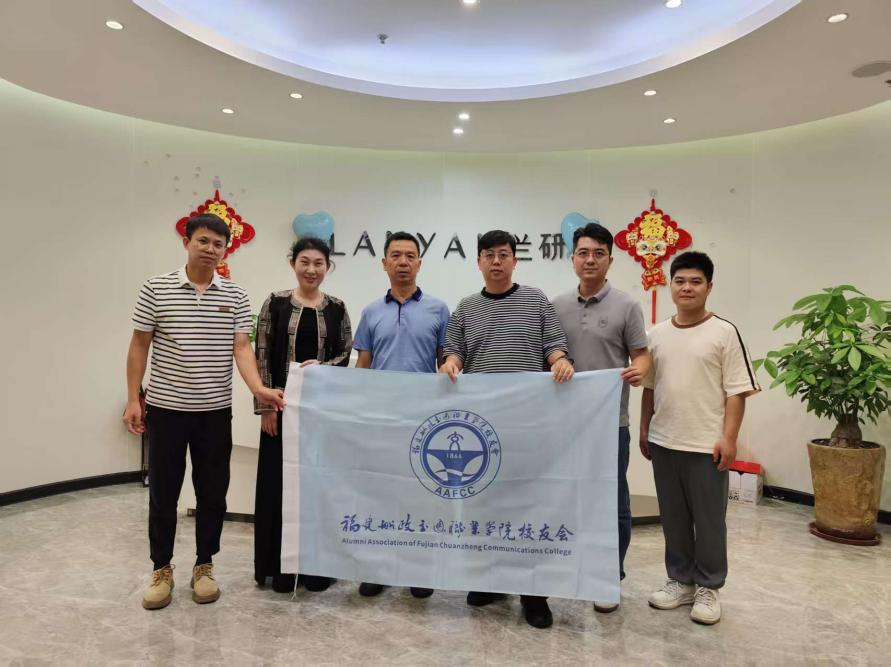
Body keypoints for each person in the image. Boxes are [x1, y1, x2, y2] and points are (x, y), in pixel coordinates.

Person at [124, 213, 285, 611]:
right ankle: (161, 568)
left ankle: (204, 565)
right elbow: (140, 344)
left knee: (212, 494)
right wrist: (133, 398)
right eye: (203, 241)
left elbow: (242, 348)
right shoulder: (156, 288)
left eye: (218, 244)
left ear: (225, 250)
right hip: (166, 410)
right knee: (163, 493)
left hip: (214, 413)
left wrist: (258, 388)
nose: (210, 249)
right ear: (187, 242)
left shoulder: (236, 295)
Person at [439, 229, 574, 629]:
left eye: (503, 254)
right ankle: (491, 581)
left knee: (530, 507)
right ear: (478, 261)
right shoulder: (465, 308)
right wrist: (450, 363)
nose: (496, 261)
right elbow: (453, 352)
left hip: (530, 426)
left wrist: (559, 361)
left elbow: (554, 345)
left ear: (515, 260)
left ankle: (534, 593)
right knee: (486, 506)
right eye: (489, 255)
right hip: (482, 429)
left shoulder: (536, 299)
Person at [640, 251, 760, 625]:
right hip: (664, 441)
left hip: (706, 445)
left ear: (709, 286)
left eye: (695, 281)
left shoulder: (724, 332)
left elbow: (737, 391)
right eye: (680, 281)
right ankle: (680, 580)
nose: (687, 288)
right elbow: (649, 387)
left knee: (709, 521)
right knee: (673, 518)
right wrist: (645, 428)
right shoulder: (656, 334)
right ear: (670, 285)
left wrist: (730, 439)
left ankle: (709, 586)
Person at [552, 222, 651, 614]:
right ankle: (571, 567)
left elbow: (641, 354)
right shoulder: (556, 305)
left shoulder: (627, 306)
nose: (590, 260)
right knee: (565, 495)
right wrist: (558, 360)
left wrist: (640, 369)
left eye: (598, 253)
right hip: (565, 423)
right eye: (583, 253)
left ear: (610, 259)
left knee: (612, 500)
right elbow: (550, 352)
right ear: (572, 258)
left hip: (612, 422)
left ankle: (609, 577)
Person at [352, 231, 450, 600]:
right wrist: (355, 409)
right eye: (396, 255)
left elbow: (447, 361)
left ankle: (418, 569)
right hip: (381, 419)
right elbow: (363, 364)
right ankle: (377, 569)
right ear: (384, 263)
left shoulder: (439, 309)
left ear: (419, 263)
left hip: (423, 420)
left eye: (410, 256)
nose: (403, 262)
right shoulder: (371, 312)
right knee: (379, 493)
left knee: (420, 496)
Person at [253, 237, 353, 594]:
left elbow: (346, 353)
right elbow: (261, 353)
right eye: (305, 262)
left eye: (319, 263)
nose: (312, 269)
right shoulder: (275, 303)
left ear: (328, 267)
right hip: (280, 412)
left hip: (321, 415)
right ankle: (278, 569)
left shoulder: (337, 308)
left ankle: (316, 568)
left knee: (318, 487)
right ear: (293, 264)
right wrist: (266, 406)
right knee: (277, 488)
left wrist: (322, 368)